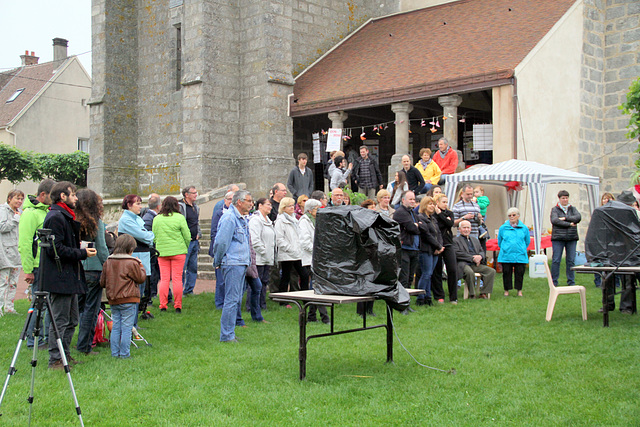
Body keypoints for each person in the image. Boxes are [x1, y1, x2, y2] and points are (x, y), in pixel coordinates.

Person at [42, 181, 97, 370]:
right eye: (73, 194)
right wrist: (82, 253)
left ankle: (64, 355)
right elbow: (55, 249)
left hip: (69, 275)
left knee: (72, 319)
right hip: (60, 277)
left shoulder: (65, 216)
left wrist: (79, 249)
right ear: (63, 196)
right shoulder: (55, 217)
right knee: (60, 320)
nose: (76, 198)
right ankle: (55, 359)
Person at [213, 190, 253, 343]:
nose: (251, 204)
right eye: (248, 201)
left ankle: (229, 333)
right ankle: (227, 335)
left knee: (235, 299)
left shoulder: (241, 218)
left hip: (240, 262)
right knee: (231, 300)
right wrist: (217, 261)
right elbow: (221, 242)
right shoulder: (229, 218)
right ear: (239, 202)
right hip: (232, 262)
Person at [19, 178, 55, 348]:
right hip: (37, 265)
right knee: (38, 303)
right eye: (52, 195)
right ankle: (33, 339)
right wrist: (28, 269)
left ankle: (46, 337)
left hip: (48, 264)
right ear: (42, 195)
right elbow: (25, 243)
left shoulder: (45, 211)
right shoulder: (30, 213)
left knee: (47, 303)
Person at [100, 234, 147, 358]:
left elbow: (102, 282)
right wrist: (141, 266)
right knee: (126, 327)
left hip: (113, 299)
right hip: (129, 298)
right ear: (130, 249)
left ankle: (115, 354)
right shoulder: (132, 262)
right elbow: (141, 278)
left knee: (116, 326)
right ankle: (125, 354)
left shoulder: (108, 261)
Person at [75, 189, 110, 355]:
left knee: (79, 308)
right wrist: (108, 266)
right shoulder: (96, 222)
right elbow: (102, 248)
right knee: (91, 309)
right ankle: (84, 345)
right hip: (93, 269)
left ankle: (77, 342)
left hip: (76, 267)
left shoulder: (72, 220)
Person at [118, 194, 155, 324]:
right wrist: (149, 235)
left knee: (139, 293)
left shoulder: (137, 219)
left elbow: (147, 235)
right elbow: (144, 236)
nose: (141, 206)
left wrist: (148, 235)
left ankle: (134, 325)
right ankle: (131, 326)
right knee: (134, 293)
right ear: (129, 205)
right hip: (134, 260)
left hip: (142, 258)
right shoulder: (126, 220)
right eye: (137, 203)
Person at [153, 196, 191, 313]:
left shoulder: (157, 218)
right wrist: (184, 246)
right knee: (177, 279)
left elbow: (154, 235)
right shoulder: (179, 218)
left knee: (164, 279)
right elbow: (187, 235)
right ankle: (178, 305)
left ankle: (163, 304)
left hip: (162, 252)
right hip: (178, 252)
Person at [299, 199, 329, 323]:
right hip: (310, 258)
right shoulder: (304, 221)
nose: (320, 210)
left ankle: (311, 316)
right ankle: (325, 317)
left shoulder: (317, 220)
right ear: (310, 210)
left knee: (315, 287)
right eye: (317, 208)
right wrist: (318, 251)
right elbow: (305, 242)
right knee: (317, 287)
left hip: (318, 258)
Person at [274, 197, 309, 297]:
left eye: (292, 205)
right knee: (286, 276)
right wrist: (290, 249)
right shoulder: (280, 221)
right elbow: (279, 239)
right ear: (283, 208)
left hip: (297, 253)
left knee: (304, 275)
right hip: (287, 254)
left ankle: (305, 297)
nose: (291, 208)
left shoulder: (294, 219)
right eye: (289, 206)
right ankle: (283, 299)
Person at [393, 191, 420, 312]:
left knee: (410, 278)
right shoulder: (400, 213)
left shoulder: (413, 213)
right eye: (410, 199)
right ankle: (401, 306)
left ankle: (407, 304)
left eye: (414, 199)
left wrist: (418, 225)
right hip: (404, 249)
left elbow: (422, 227)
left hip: (414, 248)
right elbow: (412, 228)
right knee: (403, 278)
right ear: (403, 200)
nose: (413, 201)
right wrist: (417, 225)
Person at [453, 220, 494, 299]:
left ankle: (483, 293)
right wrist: (472, 258)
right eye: (464, 228)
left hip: (476, 264)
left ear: (471, 229)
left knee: (491, 271)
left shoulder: (475, 240)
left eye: (468, 227)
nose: (466, 230)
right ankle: (472, 294)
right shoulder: (455, 240)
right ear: (459, 229)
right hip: (463, 264)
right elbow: (457, 253)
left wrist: (480, 257)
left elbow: (482, 251)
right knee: (469, 272)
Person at [416, 196, 444, 306]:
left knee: (430, 274)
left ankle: (428, 297)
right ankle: (421, 297)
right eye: (429, 204)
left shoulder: (433, 219)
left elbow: (439, 234)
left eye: (433, 204)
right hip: (425, 250)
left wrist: (440, 246)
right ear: (424, 205)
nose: (432, 206)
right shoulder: (421, 218)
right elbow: (426, 235)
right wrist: (437, 246)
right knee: (426, 273)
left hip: (435, 251)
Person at [249, 198, 277, 310]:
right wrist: (264, 251)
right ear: (260, 205)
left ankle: (262, 304)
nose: (270, 207)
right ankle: (252, 306)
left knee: (264, 282)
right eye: (268, 205)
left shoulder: (268, 221)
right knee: (256, 283)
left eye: (271, 205)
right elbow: (255, 240)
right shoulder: (255, 220)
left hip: (267, 258)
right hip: (258, 258)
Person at [0, 189, 24, 315]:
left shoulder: (19, 212)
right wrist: (15, 219)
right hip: (5, 252)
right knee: (3, 281)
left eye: (21, 199)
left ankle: (9, 307)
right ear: (9, 198)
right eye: (17, 198)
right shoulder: (3, 210)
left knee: (13, 282)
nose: (19, 201)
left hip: (16, 252)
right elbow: (2, 227)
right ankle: (0, 308)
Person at [550, 190, 581, 286]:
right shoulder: (555, 209)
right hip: (558, 238)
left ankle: (571, 281)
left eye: (566, 198)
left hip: (571, 238)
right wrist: (569, 224)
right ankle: (554, 281)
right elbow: (555, 220)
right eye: (563, 198)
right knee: (556, 260)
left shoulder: (573, 209)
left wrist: (565, 218)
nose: (565, 200)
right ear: (559, 199)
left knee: (571, 260)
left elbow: (578, 218)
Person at [432, 194, 458, 304]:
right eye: (443, 202)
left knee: (452, 269)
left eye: (447, 202)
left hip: (448, 243)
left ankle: (453, 297)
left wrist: (441, 215)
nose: (446, 204)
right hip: (437, 243)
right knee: (437, 270)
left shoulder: (449, 213)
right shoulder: (433, 215)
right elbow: (437, 226)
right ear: (437, 203)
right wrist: (442, 218)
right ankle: (439, 296)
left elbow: (450, 223)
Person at [210, 191, 234, 309]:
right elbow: (214, 233)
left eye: (233, 200)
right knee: (221, 280)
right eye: (229, 199)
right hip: (221, 250)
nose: (231, 202)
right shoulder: (219, 213)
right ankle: (220, 303)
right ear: (225, 201)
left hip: (233, 251)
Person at [497, 208, 529, 297]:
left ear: (518, 216)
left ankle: (519, 290)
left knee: (520, 273)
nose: (512, 217)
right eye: (510, 215)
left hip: (520, 255)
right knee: (506, 272)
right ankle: (506, 290)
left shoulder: (524, 228)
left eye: (514, 215)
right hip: (506, 254)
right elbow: (500, 241)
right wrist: (506, 248)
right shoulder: (503, 228)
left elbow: (527, 241)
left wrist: (521, 248)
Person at [179, 186, 201, 296]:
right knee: (182, 267)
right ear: (186, 194)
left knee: (193, 267)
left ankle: (189, 290)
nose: (196, 195)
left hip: (194, 241)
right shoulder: (180, 206)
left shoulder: (195, 207)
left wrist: (198, 234)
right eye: (193, 193)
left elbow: (196, 222)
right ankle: (180, 290)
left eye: (196, 192)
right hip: (185, 242)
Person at [142, 194, 161, 302]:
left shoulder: (149, 216)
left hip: (152, 250)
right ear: (158, 206)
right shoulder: (149, 218)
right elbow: (148, 234)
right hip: (151, 250)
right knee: (153, 273)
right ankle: (151, 294)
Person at [593, 193, 615, 288]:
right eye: (604, 199)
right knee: (599, 261)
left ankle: (615, 282)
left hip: (612, 240)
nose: (606, 200)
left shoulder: (616, 212)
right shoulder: (598, 211)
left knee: (613, 261)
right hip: (600, 240)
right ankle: (598, 282)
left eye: (608, 198)